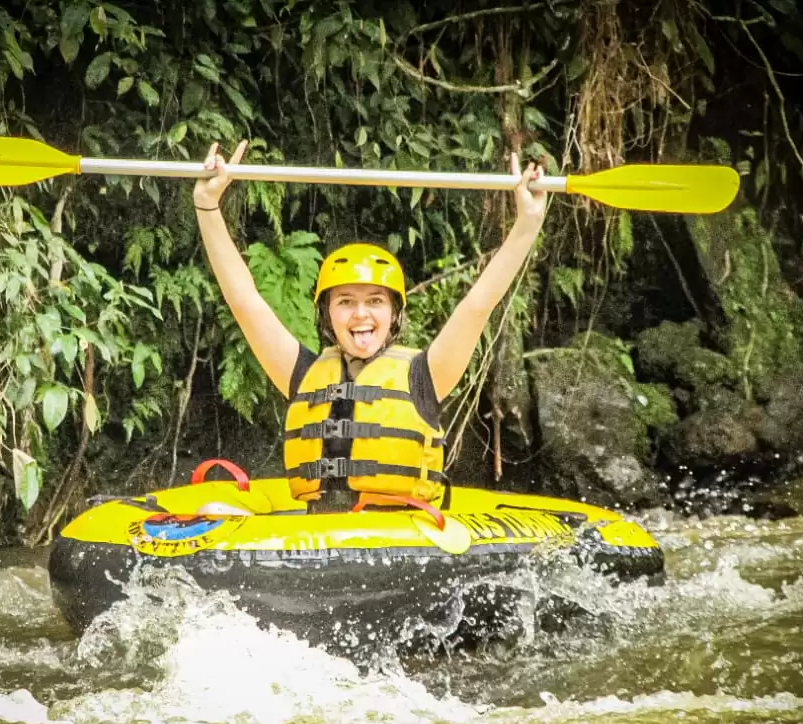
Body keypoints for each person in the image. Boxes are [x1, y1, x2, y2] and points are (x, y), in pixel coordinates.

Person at [193, 141, 548, 513]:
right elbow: (245, 303)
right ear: (327, 315)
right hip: (318, 537)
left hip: (399, 539)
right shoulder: (303, 375)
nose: (361, 314)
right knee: (215, 512)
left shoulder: (424, 377)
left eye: (375, 302)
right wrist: (208, 207)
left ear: (394, 314)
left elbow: (478, 306)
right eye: (345, 302)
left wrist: (527, 224)